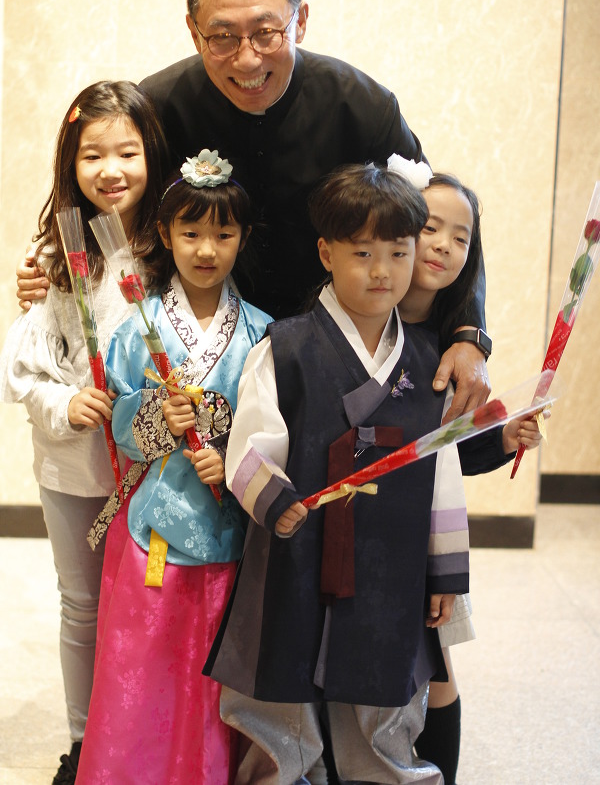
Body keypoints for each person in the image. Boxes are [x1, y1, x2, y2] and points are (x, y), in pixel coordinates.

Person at [16, 0, 491, 420]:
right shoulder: (158, 106)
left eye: (267, 32)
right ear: (193, 32)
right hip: (201, 367)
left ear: (300, 21)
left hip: (339, 353)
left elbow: (439, 219)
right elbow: (108, 188)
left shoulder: (362, 105)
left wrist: (468, 333)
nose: (247, 60)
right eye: (222, 37)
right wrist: (51, 259)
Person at [204, 163, 525, 784]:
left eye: (398, 253)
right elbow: (249, 446)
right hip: (299, 553)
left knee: (384, 700)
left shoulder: (430, 362)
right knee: (284, 706)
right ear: (326, 253)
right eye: (363, 253)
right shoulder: (286, 348)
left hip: (390, 561)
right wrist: (275, 500)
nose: (382, 271)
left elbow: (443, 478)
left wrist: (445, 572)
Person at [76, 152, 272, 785]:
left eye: (223, 233)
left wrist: (232, 459)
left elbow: (276, 433)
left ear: (243, 236)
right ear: (164, 234)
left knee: (215, 683)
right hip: (153, 531)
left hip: (229, 536)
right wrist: (158, 418)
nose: (206, 250)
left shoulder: (264, 334)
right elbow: (118, 427)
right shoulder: (137, 329)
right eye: (190, 233)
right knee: (143, 674)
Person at [0, 81, 169, 785]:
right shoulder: (53, 257)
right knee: (82, 606)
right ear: (70, 162)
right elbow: (23, 368)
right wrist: (64, 402)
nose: (111, 170)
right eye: (92, 154)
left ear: (152, 153)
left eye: (127, 152)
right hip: (74, 468)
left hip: (157, 472)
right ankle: (82, 741)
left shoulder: (175, 245)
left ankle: (139, 735)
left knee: (152, 606)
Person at [396, 170, 543, 785]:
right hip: (364, 518)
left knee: (437, 666)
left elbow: (450, 449)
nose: (443, 245)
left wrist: (505, 437)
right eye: (430, 228)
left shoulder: (458, 349)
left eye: (461, 238)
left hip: (426, 530)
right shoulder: (365, 319)